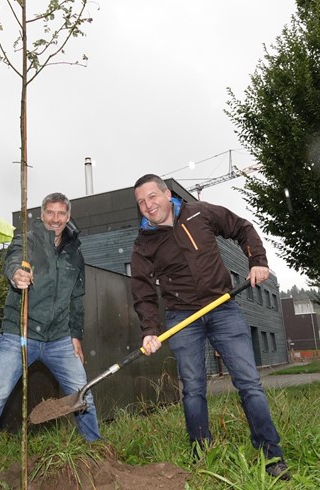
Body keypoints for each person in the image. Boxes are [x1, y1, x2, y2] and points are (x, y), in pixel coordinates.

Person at [130, 174, 290, 480]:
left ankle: (272, 454)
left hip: (222, 308)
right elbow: (142, 290)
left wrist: (257, 258)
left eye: (152, 197)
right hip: (182, 318)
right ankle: (202, 453)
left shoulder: (199, 213)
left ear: (167, 195)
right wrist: (149, 330)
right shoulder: (143, 244)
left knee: (248, 382)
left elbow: (242, 227)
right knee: (192, 389)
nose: (148, 206)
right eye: (141, 202)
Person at [0, 192, 101, 489]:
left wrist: (76, 336)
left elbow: (77, 298)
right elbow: (12, 260)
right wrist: (16, 274)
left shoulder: (75, 251)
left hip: (60, 338)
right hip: (19, 334)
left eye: (61, 213)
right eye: (50, 212)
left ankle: (98, 459)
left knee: (83, 396)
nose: (55, 219)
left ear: (68, 216)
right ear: (41, 213)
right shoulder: (28, 239)